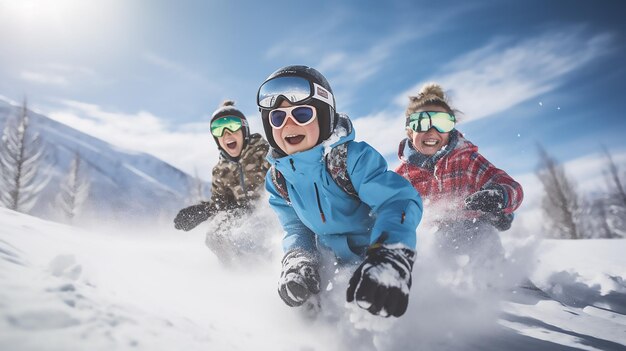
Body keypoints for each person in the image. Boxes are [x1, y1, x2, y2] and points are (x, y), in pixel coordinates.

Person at [257, 65, 423, 318]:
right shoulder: (278, 178)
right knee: (307, 313)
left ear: (324, 117)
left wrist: (390, 253)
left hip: (374, 258)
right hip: (331, 264)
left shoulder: (349, 160)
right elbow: (296, 228)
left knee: (372, 312)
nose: (288, 124)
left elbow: (397, 201)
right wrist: (300, 258)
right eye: (278, 118)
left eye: (301, 114)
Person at [395, 83, 523, 277]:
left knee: (478, 231)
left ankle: (505, 283)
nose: (432, 130)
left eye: (442, 122)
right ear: (410, 131)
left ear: (450, 128)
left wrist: (499, 196)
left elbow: (512, 186)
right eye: (422, 122)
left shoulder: (465, 160)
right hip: (430, 255)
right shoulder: (401, 177)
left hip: (474, 241)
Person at [174, 101, 271, 265]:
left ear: (244, 129)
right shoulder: (220, 171)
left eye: (232, 126)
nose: (226, 133)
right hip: (244, 217)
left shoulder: (264, 152)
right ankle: (234, 274)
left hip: (271, 214)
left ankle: (266, 266)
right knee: (216, 233)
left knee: (248, 236)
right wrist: (203, 211)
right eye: (219, 129)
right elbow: (221, 204)